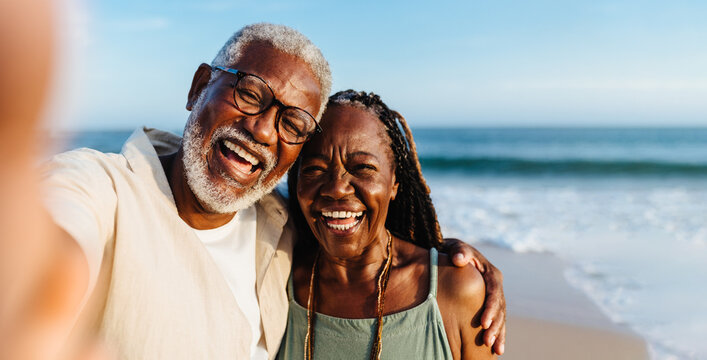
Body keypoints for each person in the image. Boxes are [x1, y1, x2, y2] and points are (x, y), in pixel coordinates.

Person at [1, 21, 505, 359]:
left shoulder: (279, 229)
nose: (263, 130)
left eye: (292, 123)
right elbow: (57, 233)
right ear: (199, 86)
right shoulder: (103, 191)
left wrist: (455, 258)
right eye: (249, 93)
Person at [278, 90, 495, 359]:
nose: (336, 189)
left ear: (394, 183)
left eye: (362, 168)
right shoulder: (276, 282)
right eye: (314, 169)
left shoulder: (454, 288)